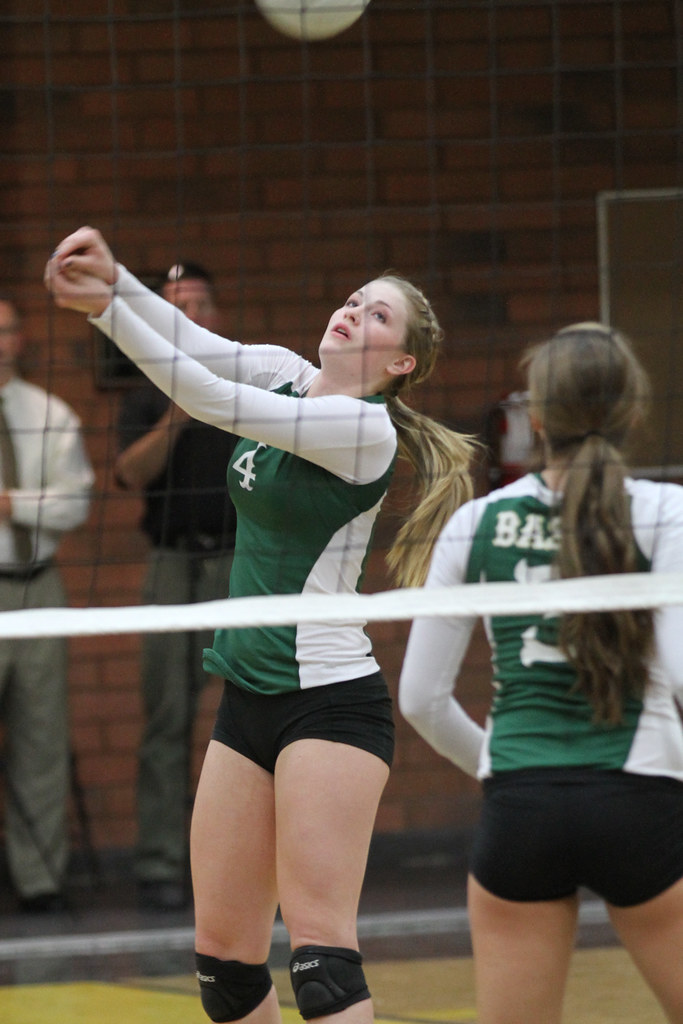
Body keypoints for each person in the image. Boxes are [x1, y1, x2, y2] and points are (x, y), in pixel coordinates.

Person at [45, 225, 476, 1024]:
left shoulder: (362, 429)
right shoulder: (288, 374)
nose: (352, 313)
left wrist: (105, 312)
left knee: (320, 964)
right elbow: (194, 343)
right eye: (353, 300)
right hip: (248, 696)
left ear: (400, 363)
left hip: (329, 705)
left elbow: (205, 397)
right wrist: (122, 282)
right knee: (225, 968)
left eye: (377, 316)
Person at [399, 322, 683, 1024]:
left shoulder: (473, 523)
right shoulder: (666, 513)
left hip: (519, 810)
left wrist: (502, 765)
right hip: (639, 802)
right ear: (633, 414)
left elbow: (420, 700)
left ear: (534, 418)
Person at [115, 262, 238, 912]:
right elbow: (129, 475)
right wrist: (178, 413)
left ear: (216, 316)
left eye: (198, 304)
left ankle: (250, 863)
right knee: (164, 720)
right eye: (174, 307)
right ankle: (161, 863)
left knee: (252, 718)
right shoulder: (142, 393)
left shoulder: (252, 385)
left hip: (239, 569)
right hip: (170, 567)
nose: (188, 316)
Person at [0, 292, 94, 913]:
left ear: (20, 337)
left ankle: (38, 881)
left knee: (40, 735)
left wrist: (12, 504)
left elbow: (76, 503)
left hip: (36, 584)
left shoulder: (50, 413)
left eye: (4, 330)